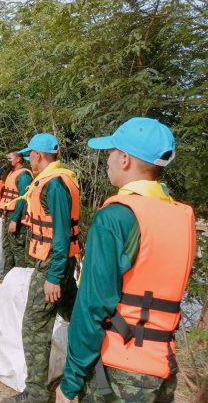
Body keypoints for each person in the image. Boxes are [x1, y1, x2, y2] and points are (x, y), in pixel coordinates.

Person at [56, 118, 196, 403]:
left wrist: (70, 384)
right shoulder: (182, 215)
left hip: (121, 369)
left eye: (111, 151)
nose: (107, 159)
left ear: (125, 159)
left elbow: (92, 305)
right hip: (163, 365)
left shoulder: (117, 217)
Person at [2, 134, 80, 403]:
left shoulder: (55, 185)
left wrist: (55, 276)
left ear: (38, 155)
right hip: (58, 261)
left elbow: (59, 234)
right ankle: (95, 367)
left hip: (52, 264)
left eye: (31, 154)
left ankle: (36, 394)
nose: (29, 159)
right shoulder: (52, 181)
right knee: (76, 315)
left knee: (34, 325)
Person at [0, 150, 34, 274]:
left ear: (18, 159)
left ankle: (20, 276)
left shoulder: (24, 175)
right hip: (8, 214)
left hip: (17, 215)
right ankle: (8, 274)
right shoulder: (11, 173)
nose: (7, 161)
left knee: (17, 247)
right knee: (6, 245)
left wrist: (14, 219)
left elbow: (22, 200)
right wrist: (4, 214)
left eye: (9, 159)